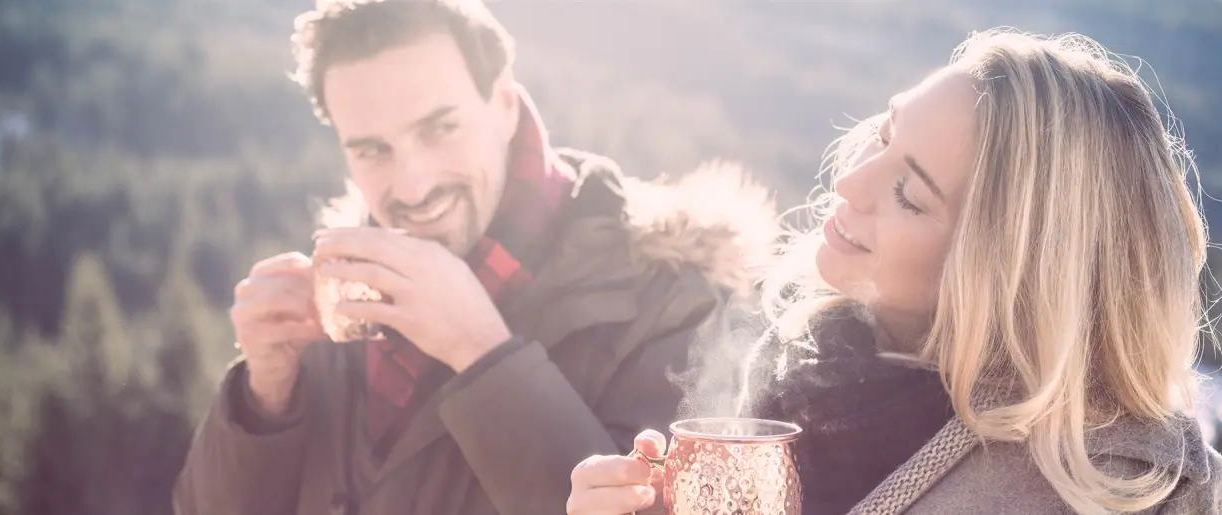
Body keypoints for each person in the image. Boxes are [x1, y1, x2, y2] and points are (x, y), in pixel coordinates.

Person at [566, 28, 1222, 515]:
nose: (849, 182)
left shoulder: (1113, 488)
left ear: (1002, 275)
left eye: (910, 194)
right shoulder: (803, 370)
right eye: (885, 137)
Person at [171, 1, 780, 514]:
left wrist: (484, 354)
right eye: (373, 150)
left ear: (505, 106)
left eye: (440, 128)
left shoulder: (674, 299)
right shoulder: (341, 303)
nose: (412, 187)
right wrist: (263, 403)